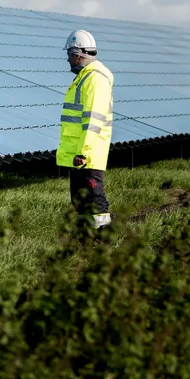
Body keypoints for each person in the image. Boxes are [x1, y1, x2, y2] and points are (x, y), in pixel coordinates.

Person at [57, 29, 114, 230]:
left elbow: (93, 119)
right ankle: (85, 237)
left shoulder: (94, 79)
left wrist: (84, 151)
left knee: (95, 198)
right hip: (78, 151)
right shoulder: (85, 76)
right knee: (80, 199)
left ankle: (103, 239)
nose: (68, 60)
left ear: (77, 53)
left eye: (69, 55)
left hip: (86, 153)